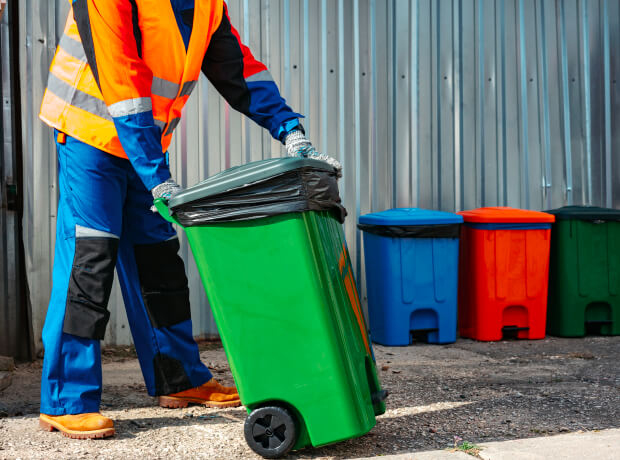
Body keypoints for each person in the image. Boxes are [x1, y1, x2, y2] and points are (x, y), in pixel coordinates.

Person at [38, 0, 340, 440]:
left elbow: (238, 69)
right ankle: (67, 400)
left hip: (142, 142)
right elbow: (121, 81)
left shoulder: (206, 4)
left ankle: (178, 379)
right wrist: (157, 177)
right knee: (91, 254)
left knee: (158, 254)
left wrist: (289, 129)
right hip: (90, 134)